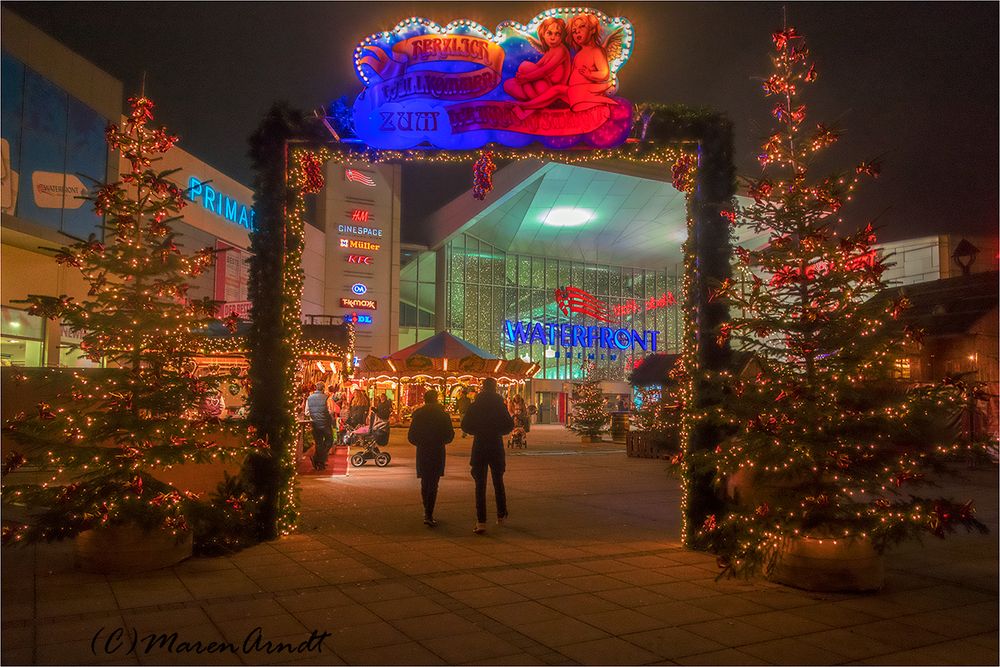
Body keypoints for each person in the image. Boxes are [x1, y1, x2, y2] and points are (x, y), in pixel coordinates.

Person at [461, 377, 515, 534]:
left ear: (482, 388)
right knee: (498, 481)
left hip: (479, 445)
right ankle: (501, 515)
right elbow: (509, 425)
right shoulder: (500, 405)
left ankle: (481, 521)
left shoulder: (475, 405)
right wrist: (497, 431)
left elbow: (465, 425)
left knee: (480, 484)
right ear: (495, 387)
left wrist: (477, 431)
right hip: (495, 445)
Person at [407, 389, 455, 527]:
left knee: (424, 480)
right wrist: (441, 441)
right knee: (433, 482)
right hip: (437, 450)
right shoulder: (443, 415)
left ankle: (426, 510)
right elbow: (450, 435)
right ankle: (429, 512)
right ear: (436, 399)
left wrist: (420, 442)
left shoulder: (419, 415)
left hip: (423, 450)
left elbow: (411, 436)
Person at [505, 17, 571, 116]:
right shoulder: (549, 50)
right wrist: (523, 78)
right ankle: (536, 105)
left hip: (553, 94)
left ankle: (533, 107)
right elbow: (537, 67)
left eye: (557, 34)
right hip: (539, 90)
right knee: (509, 84)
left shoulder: (561, 50)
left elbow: (544, 71)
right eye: (549, 33)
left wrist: (525, 78)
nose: (553, 37)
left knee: (524, 66)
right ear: (543, 34)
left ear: (562, 37)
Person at [304, 382, 334, 471]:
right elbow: (330, 411)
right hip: (325, 423)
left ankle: (319, 462)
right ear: (323, 388)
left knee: (319, 443)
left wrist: (314, 415)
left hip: (314, 423)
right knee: (329, 441)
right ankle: (319, 460)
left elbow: (306, 412)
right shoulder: (327, 398)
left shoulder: (309, 398)